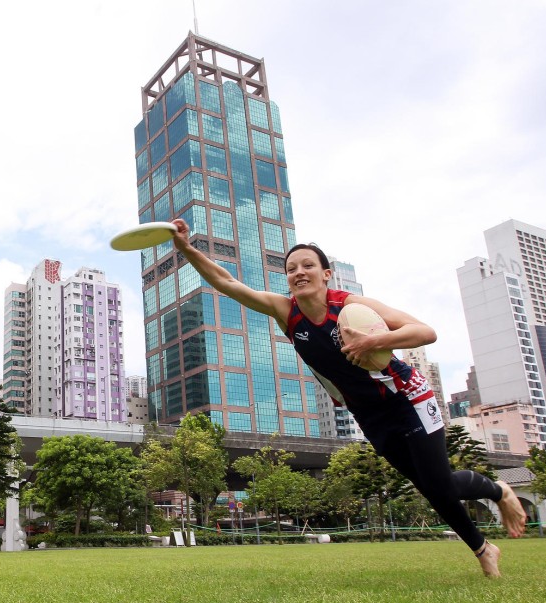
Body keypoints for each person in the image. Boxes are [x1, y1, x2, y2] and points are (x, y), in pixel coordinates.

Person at [171, 218, 527, 577]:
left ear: (326, 274)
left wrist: (374, 341)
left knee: (440, 484)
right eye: (291, 268)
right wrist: (187, 248)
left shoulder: (351, 306)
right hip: (368, 413)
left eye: (308, 265)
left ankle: (497, 490)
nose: (299, 272)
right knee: (429, 488)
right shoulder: (287, 313)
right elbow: (226, 282)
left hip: (407, 399)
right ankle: (484, 549)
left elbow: (425, 332)